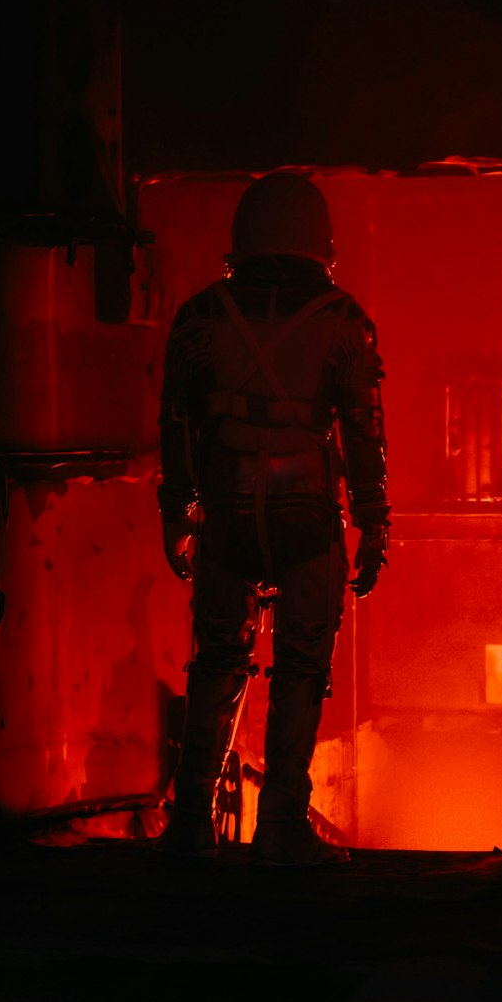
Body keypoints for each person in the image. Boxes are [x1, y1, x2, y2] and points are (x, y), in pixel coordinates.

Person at [157, 170, 390, 866]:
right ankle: (281, 823)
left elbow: (177, 424)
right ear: (321, 240)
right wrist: (374, 524)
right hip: (305, 510)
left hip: (226, 509)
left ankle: (192, 821)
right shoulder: (344, 321)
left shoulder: (199, 319)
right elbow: (364, 432)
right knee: (301, 666)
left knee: (218, 660)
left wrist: (178, 512)